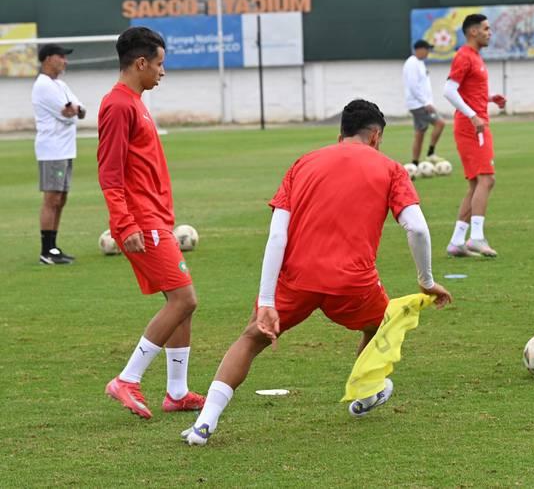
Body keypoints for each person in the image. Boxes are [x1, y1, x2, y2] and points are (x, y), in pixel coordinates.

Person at [181, 99, 452, 445]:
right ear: (375, 136)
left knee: (251, 338)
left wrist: (267, 301)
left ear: (341, 134)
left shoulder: (303, 164)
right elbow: (417, 229)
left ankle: (205, 423)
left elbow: (277, 235)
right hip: (354, 282)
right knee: (381, 323)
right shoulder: (391, 168)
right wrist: (426, 281)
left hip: (296, 279)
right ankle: (366, 392)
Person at [98, 27, 204, 418]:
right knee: (184, 299)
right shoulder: (119, 105)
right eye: (159, 64)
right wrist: (125, 226)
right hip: (142, 222)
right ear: (141, 62)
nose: (163, 72)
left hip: (156, 217)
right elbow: (109, 174)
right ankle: (126, 379)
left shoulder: (135, 101)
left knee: (182, 305)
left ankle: (177, 392)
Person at [443, 14, 506, 258]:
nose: (489, 32)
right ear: (473, 32)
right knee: (487, 179)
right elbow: (448, 90)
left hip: (474, 124)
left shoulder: (475, 57)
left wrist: (490, 99)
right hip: (473, 128)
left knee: (476, 184)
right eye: (486, 29)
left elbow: (467, 92)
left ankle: (457, 241)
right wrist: (473, 115)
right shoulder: (464, 56)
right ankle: (476, 237)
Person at [33, 44, 85, 265]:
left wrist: (74, 110)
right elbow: (67, 113)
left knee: (61, 199)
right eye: (61, 57)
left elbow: (79, 110)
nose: (65, 61)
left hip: (65, 148)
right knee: (52, 199)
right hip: (52, 150)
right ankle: (47, 250)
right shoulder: (43, 85)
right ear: (47, 59)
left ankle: (53, 247)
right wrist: (73, 111)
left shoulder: (60, 84)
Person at [403, 39, 447, 166]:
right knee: (440, 123)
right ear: (419, 49)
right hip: (419, 104)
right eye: (427, 49)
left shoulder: (419, 63)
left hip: (418, 103)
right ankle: (431, 153)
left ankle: (415, 163)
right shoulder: (412, 63)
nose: (428, 52)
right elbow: (413, 86)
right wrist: (426, 103)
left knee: (420, 133)